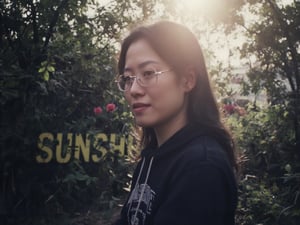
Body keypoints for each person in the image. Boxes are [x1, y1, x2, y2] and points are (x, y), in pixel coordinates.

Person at [114, 20, 238, 225]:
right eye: (128, 78)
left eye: (148, 73)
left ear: (187, 80)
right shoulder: (153, 156)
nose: (134, 89)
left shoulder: (201, 167)